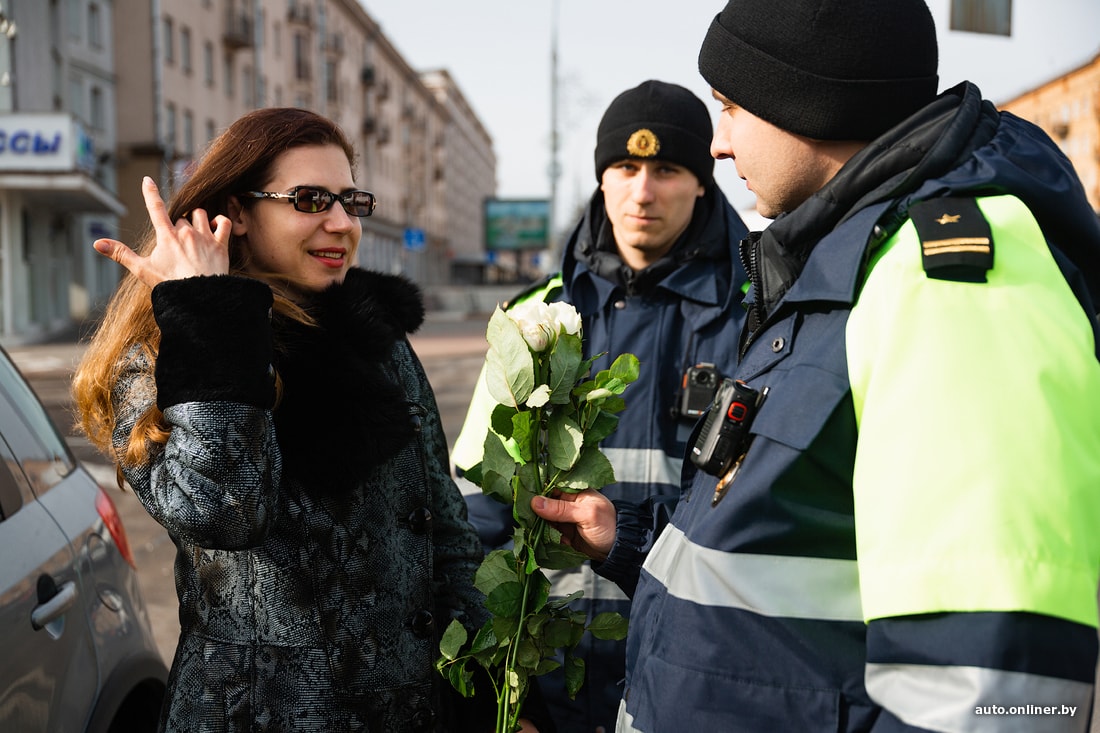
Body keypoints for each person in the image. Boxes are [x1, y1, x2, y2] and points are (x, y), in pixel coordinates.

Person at [531, 1, 1100, 731]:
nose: (720, 145)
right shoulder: (845, 267)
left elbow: (996, 693)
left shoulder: (947, 283)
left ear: (808, 101)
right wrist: (632, 538)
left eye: (731, 109)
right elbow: (793, 547)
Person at [71, 107, 551, 733]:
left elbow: (445, 534)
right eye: (310, 199)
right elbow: (223, 509)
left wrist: (500, 697)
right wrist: (210, 317)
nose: (343, 223)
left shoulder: (373, 336)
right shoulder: (159, 353)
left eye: (350, 200)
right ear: (236, 211)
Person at [452, 80, 749, 731]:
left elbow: (757, 523)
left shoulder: (759, 319)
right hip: (548, 689)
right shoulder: (533, 318)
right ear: (602, 176)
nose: (642, 192)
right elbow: (475, 516)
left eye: (667, 169)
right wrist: (501, 694)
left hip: (693, 685)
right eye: (625, 167)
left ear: (702, 180)